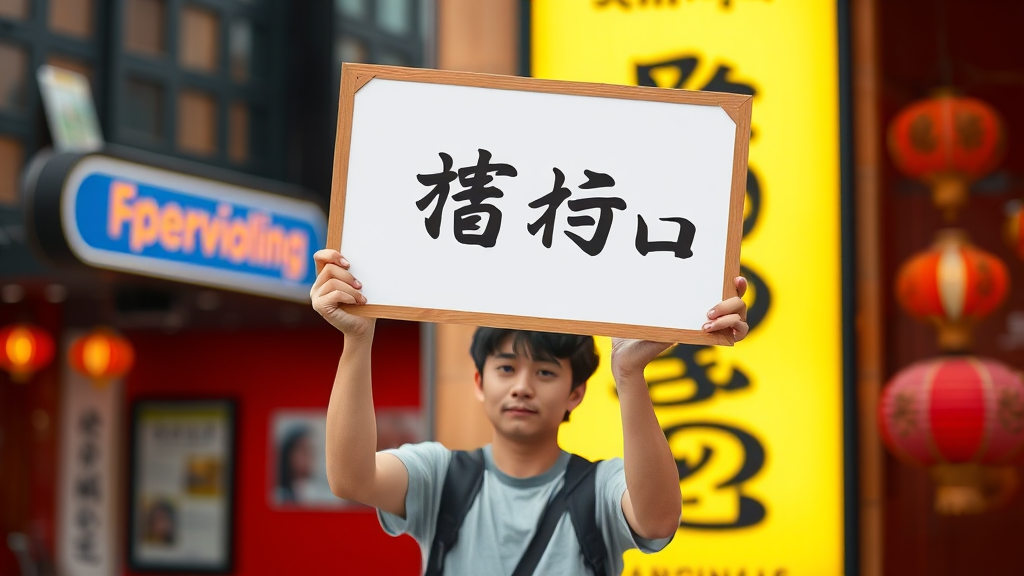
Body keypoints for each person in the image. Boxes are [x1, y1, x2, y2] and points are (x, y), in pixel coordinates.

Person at [311, 249, 749, 575]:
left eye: (544, 371)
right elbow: (350, 478)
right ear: (480, 383)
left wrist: (629, 372)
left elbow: (656, 520)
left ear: (575, 393)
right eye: (506, 368)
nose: (522, 386)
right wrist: (356, 340)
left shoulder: (601, 488)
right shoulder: (439, 475)